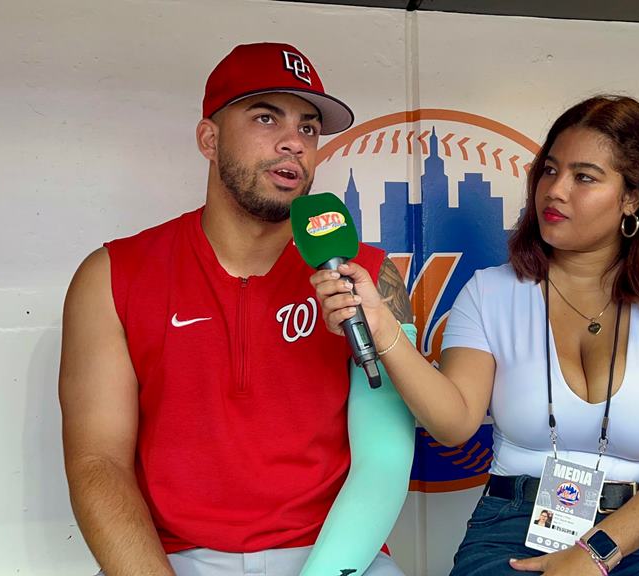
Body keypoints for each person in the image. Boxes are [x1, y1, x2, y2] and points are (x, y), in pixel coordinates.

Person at [312, 95, 639, 575]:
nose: (555, 191)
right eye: (550, 171)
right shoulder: (491, 292)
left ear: (632, 197)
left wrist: (595, 552)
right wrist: (384, 328)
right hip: (512, 524)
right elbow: (453, 425)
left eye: (584, 177)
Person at [59, 43, 415, 576]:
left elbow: (383, 464)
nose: (294, 142)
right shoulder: (111, 275)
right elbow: (98, 463)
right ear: (210, 138)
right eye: (266, 117)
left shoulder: (366, 273)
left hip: (335, 553)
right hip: (175, 560)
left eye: (310, 127)